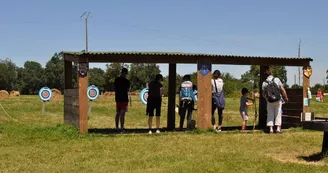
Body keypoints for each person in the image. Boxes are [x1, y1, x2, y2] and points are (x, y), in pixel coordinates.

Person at [262, 68, 288, 134]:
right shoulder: (277, 79)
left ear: (265, 76)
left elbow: (263, 94)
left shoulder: (264, 83)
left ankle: (271, 129)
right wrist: (286, 98)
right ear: (271, 74)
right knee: (278, 114)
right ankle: (278, 129)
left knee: (270, 114)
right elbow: (282, 90)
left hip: (270, 101)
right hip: (278, 100)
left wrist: (267, 99)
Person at [114, 68, 131, 133]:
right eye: (124, 73)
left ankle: (119, 127)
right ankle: (120, 128)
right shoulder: (127, 81)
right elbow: (127, 90)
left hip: (119, 98)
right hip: (122, 99)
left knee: (119, 113)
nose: (124, 74)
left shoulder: (117, 79)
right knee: (120, 114)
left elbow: (115, 88)